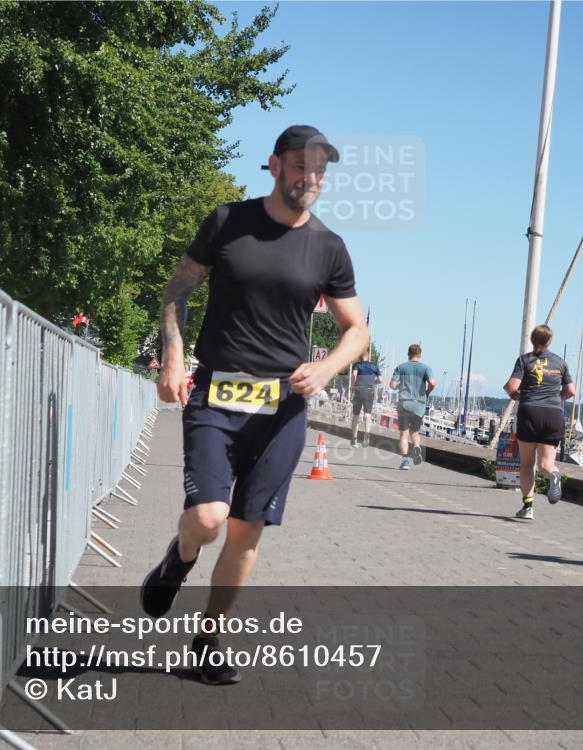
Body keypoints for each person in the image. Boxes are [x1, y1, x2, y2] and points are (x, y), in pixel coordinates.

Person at [143, 125, 369, 683]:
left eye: (319, 169)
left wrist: (326, 367)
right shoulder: (227, 221)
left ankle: (209, 641)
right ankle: (180, 556)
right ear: (273, 165)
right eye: (299, 165)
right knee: (210, 517)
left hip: (283, 410)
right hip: (216, 394)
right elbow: (176, 291)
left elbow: (356, 329)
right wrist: (173, 357)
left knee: (246, 531)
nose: (309, 177)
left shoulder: (329, 247)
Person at [503, 325, 575, 520]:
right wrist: (556, 398)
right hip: (553, 415)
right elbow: (570, 390)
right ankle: (553, 474)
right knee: (545, 464)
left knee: (527, 464)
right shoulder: (560, 362)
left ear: (532, 340)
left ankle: (528, 507)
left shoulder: (525, 360)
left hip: (530, 412)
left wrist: (513, 393)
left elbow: (512, 386)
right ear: (550, 341)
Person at [390, 345, 435, 470]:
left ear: (408, 354)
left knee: (403, 434)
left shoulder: (401, 367)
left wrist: (400, 386)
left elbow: (392, 385)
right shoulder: (426, 368)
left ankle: (405, 461)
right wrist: (427, 392)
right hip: (419, 405)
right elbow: (432, 383)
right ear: (420, 355)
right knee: (414, 432)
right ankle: (416, 446)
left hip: (404, 403)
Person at [350, 351, 381, 447]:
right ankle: (367, 435)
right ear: (368, 357)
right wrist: (372, 383)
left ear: (360, 357)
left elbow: (354, 375)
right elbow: (380, 380)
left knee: (356, 415)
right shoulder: (374, 366)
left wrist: (353, 385)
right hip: (369, 391)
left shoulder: (357, 365)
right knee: (367, 415)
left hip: (358, 390)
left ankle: (354, 440)